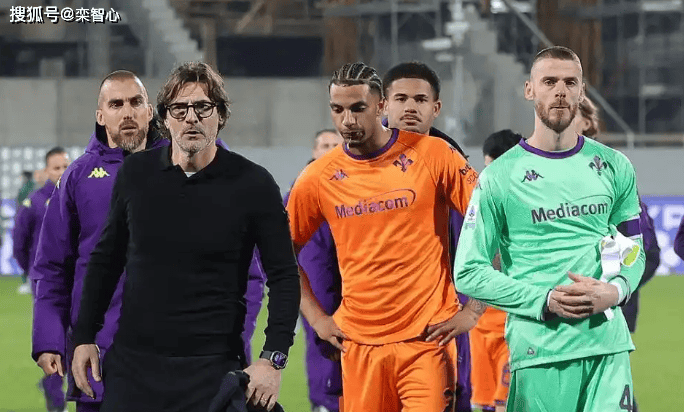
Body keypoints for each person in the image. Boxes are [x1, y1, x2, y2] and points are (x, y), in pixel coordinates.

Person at [71, 61, 300, 412]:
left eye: (203, 107)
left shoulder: (254, 184)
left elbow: (284, 275)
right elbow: (106, 260)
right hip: (133, 368)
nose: (191, 118)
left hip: (213, 369)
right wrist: (84, 335)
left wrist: (273, 359)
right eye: (180, 108)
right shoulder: (135, 173)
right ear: (165, 117)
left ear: (220, 115)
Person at [454, 46, 646, 412]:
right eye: (549, 81)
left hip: (607, 347)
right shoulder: (499, 178)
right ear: (529, 90)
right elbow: (468, 271)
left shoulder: (614, 166)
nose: (560, 90)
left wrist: (616, 290)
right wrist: (543, 299)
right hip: (539, 351)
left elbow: (633, 247)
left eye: (570, 82)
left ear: (581, 91)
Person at [287, 62, 482, 412]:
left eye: (358, 108)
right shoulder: (317, 178)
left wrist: (473, 310)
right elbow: (280, 253)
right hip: (359, 347)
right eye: (338, 109)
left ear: (380, 107)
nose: (348, 120)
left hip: (426, 343)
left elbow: (493, 221)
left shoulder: (434, 155)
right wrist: (317, 319)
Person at [31, 70, 168, 412]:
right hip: (98, 355)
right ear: (100, 115)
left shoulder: (180, 166)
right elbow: (52, 266)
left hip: (172, 358)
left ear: (149, 110)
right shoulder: (77, 177)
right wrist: (49, 339)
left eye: (136, 102)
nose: (127, 112)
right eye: (116, 104)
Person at [382, 61, 473, 412]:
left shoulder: (452, 163)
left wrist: (472, 309)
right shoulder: (350, 165)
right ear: (383, 105)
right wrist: (323, 319)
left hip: (436, 330)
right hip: (366, 335)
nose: (410, 107)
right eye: (401, 98)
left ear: (436, 108)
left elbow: (493, 233)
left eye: (420, 99)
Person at [575, 97, 659, 412]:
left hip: (609, 311)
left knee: (609, 393)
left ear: (588, 122)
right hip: (556, 309)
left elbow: (648, 251)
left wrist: (616, 290)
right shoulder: (538, 173)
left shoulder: (614, 173)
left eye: (574, 113)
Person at [13, 147, 70, 411]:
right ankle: (55, 402)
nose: (61, 172)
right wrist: (33, 272)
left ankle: (50, 384)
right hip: (46, 284)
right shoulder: (35, 202)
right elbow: (19, 242)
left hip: (75, 281)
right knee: (53, 342)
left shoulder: (77, 197)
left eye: (65, 167)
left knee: (75, 340)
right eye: (56, 168)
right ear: (46, 171)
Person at [470, 129, 522, 412]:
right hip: (479, 327)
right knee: (487, 405)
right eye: (486, 166)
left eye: (492, 166)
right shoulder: (476, 203)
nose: (486, 174)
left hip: (514, 326)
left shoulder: (533, 205)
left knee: (507, 405)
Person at [295, 128, 344, 412]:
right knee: (325, 349)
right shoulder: (303, 194)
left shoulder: (353, 189)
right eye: (324, 145)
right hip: (320, 301)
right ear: (314, 152)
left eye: (335, 145)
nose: (330, 150)